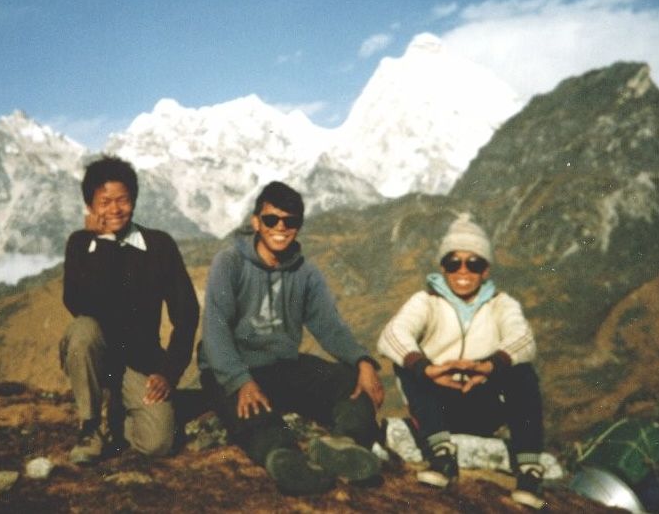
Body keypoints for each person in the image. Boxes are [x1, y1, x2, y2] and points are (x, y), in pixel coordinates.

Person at [198, 181, 385, 496]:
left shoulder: (306, 272)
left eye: (291, 221)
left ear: (299, 226)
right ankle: (283, 459)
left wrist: (362, 361)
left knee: (350, 382)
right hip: (233, 369)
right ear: (256, 222)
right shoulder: (229, 263)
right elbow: (215, 331)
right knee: (252, 412)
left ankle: (342, 445)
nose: (281, 228)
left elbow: (329, 326)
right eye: (272, 220)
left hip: (282, 366)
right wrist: (239, 380)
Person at [377, 213, 546, 509]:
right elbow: (392, 335)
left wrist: (490, 366)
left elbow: (523, 339)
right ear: (443, 267)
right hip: (437, 403)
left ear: (486, 271)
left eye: (474, 263)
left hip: (484, 400)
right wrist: (427, 369)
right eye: (454, 263)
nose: (463, 271)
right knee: (407, 362)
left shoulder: (501, 304)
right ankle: (441, 455)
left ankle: (529, 471)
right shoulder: (425, 301)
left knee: (522, 371)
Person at [59, 156, 199, 463]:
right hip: (95, 353)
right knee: (84, 329)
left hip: (140, 361)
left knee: (158, 443)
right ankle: (90, 427)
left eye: (122, 200)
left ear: (134, 200)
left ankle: (117, 419)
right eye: (104, 201)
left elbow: (186, 312)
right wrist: (105, 242)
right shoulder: (80, 244)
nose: (114, 209)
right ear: (90, 205)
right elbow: (80, 304)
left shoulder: (159, 245)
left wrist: (169, 372)